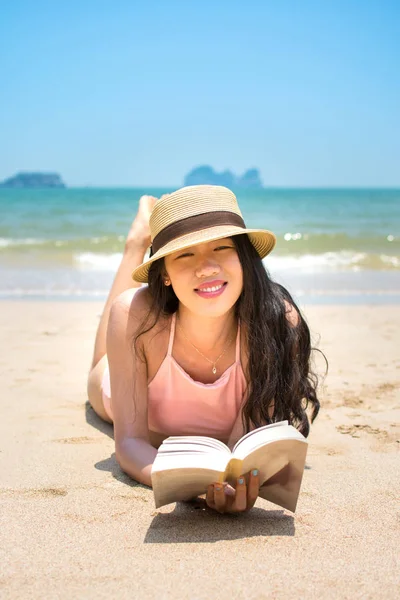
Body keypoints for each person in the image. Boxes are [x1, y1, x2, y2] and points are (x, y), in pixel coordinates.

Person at [87, 185, 320, 514]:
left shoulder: (277, 322)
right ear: (164, 272)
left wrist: (232, 486)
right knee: (104, 355)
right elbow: (130, 444)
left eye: (222, 247)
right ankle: (137, 242)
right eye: (185, 253)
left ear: (244, 257)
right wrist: (185, 486)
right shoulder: (136, 316)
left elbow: (244, 451)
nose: (207, 267)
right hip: (121, 390)